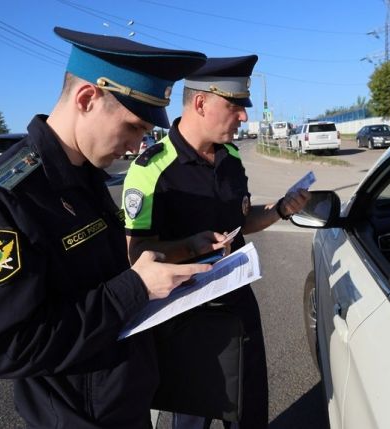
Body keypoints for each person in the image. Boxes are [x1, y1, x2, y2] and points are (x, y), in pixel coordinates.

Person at [0, 27, 213, 429]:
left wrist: (149, 270)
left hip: (121, 400)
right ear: (87, 99)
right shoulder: (4, 196)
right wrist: (135, 287)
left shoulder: (87, 173)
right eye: (132, 128)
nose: (134, 147)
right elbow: (3, 347)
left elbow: (93, 281)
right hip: (79, 417)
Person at [122, 55, 310, 428]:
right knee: (191, 419)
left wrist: (280, 211)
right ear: (201, 102)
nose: (242, 116)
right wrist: (190, 247)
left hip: (239, 304)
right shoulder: (151, 169)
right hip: (187, 318)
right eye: (234, 105)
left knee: (250, 410)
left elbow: (240, 222)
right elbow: (137, 256)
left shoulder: (231, 157)